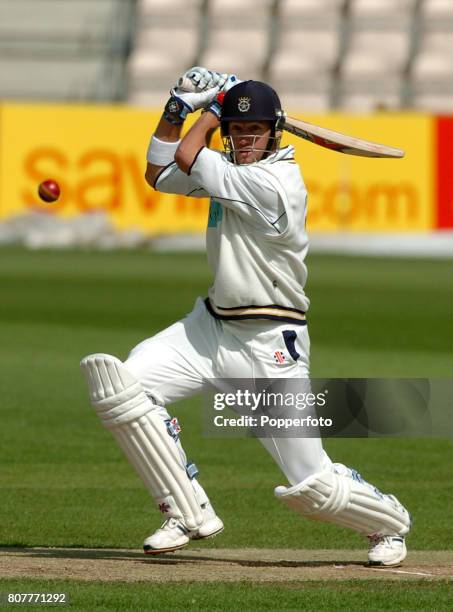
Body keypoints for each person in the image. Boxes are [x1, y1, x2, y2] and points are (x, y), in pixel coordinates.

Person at [80, 67, 411, 566]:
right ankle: (186, 511)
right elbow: (159, 174)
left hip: (269, 345)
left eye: (253, 131)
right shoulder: (231, 173)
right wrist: (175, 111)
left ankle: (390, 524)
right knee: (120, 387)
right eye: (238, 132)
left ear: (274, 133)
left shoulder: (275, 183)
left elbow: (188, 155)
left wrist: (210, 108)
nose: (245, 140)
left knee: (312, 487)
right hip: (209, 328)